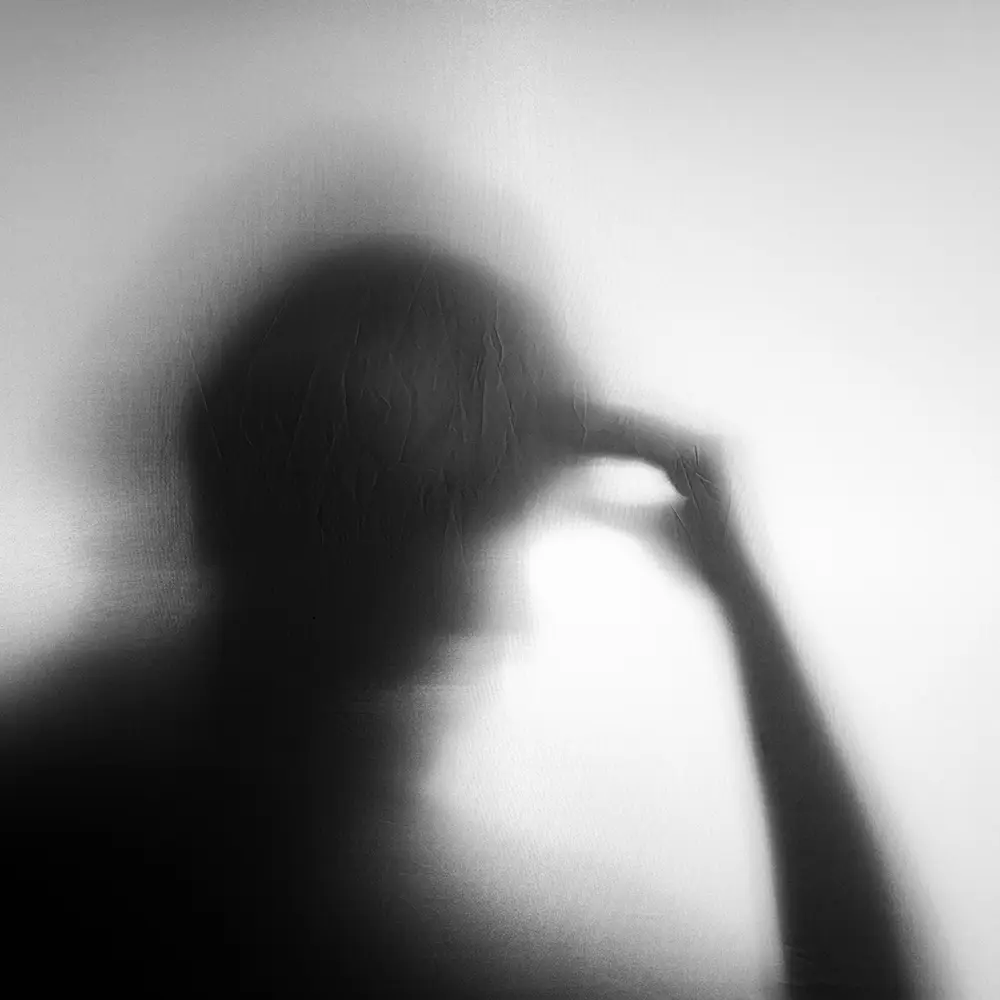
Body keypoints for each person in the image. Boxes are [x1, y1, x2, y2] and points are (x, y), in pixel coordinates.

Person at [0, 239, 918, 998]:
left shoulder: (61, 789)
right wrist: (748, 610)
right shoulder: (411, 941)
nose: (502, 624)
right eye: (487, 544)